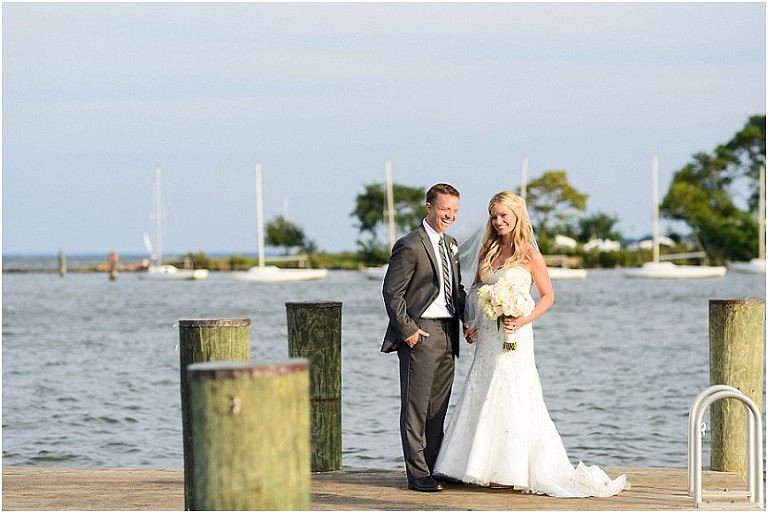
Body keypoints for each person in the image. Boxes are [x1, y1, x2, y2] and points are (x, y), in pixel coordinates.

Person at [433, 191, 629, 497]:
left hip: (515, 334)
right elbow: (474, 291)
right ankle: (471, 465)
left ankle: (507, 469)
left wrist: (523, 320)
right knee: (482, 386)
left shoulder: (529, 255)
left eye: (503, 216)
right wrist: (470, 324)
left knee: (511, 388)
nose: (498, 222)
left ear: (516, 216)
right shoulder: (488, 251)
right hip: (488, 335)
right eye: (494, 216)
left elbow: (548, 296)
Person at [381, 183, 469, 493]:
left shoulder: (451, 245)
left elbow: (455, 291)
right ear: (428, 207)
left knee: (438, 408)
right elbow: (392, 294)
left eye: (455, 211)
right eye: (446, 209)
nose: (451, 216)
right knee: (415, 408)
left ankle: (434, 468)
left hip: (448, 334)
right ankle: (417, 475)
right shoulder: (409, 245)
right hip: (420, 334)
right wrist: (409, 332)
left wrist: (469, 320)